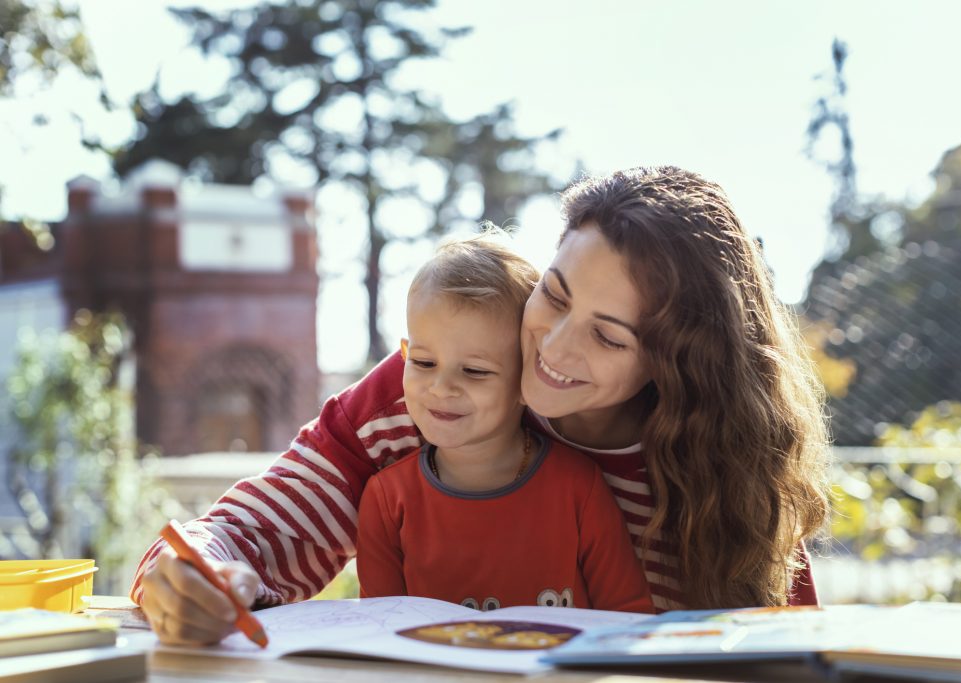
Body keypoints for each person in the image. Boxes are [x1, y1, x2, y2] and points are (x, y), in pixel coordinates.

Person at [133, 166, 830, 646]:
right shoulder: (436, 387)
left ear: (676, 360)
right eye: (554, 294)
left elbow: (786, 651)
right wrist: (190, 576)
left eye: (607, 335)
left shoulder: (723, 469)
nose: (551, 347)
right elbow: (247, 531)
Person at [355, 235, 653, 613]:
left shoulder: (579, 487)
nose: (442, 387)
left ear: (525, 380)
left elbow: (628, 616)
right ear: (404, 354)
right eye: (424, 363)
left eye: (475, 371)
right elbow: (376, 632)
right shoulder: (386, 500)